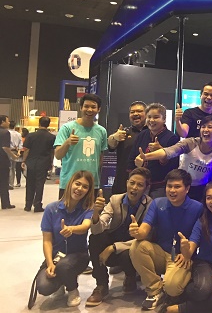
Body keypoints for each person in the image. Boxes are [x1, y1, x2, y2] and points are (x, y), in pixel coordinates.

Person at [129, 169, 203, 310]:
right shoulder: (158, 203)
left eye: (177, 186)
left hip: (182, 257)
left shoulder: (197, 208)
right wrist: (137, 232)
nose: (172, 190)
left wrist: (187, 252)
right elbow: (144, 229)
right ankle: (155, 290)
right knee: (137, 246)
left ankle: (172, 286)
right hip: (161, 252)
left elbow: (196, 237)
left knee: (172, 288)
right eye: (169, 186)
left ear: (187, 189)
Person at [164, 182, 212, 313]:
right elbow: (191, 249)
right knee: (202, 290)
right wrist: (185, 248)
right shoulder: (202, 222)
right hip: (205, 264)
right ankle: (183, 294)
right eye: (209, 198)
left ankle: (180, 308)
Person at [85, 167, 153, 306]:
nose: (134, 187)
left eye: (140, 185)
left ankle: (130, 277)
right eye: (132, 183)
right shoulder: (115, 200)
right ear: (127, 183)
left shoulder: (150, 205)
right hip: (116, 237)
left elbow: (147, 237)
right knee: (95, 239)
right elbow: (97, 229)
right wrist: (96, 213)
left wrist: (113, 247)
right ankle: (101, 285)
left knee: (132, 251)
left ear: (146, 188)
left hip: (133, 245)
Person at [36, 170, 95, 307]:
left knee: (64, 266)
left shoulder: (88, 209)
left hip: (78, 255)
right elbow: (47, 240)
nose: (80, 189)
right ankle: (61, 283)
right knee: (44, 287)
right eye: (77, 184)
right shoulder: (51, 209)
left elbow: (85, 226)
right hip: (57, 256)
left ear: (88, 191)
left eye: (85, 187)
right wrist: (50, 263)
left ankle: (72, 289)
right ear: (70, 184)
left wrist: (72, 229)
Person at [136, 115, 212, 201]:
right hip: (183, 185)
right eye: (203, 127)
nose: (205, 129)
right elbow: (170, 151)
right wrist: (146, 157)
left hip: (203, 188)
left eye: (210, 127)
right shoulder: (190, 143)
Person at [54, 94, 108, 198]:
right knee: (66, 209)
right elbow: (58, 155)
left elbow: (100, 158)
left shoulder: (102, 131)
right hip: (69, 183)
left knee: (90, 209)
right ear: (81, 108)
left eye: (93, 107)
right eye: (86, 106)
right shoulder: (67, 128)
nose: (89, 110)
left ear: (99, 109)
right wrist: (67, 142)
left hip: (92, 184)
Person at [129, 102, 179, 198]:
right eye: (149, 117)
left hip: (159, 185)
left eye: (156, 117)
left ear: (164, 119)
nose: (151, 120)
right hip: (140, 184)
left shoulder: (171, 138)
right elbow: (131, 158)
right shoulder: (142, 135)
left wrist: (161, 152)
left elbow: (173, 166)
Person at [107, 101, 147, 195]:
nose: (135, 114)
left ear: (146, 113)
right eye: (132, 112)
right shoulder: (123, 132)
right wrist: (114, 137)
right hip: (122, 182)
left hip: (146, 182)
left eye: (139, 111)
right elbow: (111, 145)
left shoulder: (152, 133)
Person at [21, 116, 56, 212]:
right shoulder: (52, 137)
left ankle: (28, 205)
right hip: (44, 163)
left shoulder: (30, 135)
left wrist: (24, 161)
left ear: (39, 123)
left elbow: (26, 150)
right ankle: (37, 205)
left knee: (30, 183)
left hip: (31, 162)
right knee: (40, 184)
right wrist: (51, 163)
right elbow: (52, 152)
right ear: (48, 124)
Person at [0, 115, 16, 209]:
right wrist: (13, 156)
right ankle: (5, 203)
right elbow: (5, 147)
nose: (9, 122)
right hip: (2, 160)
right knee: (4, 182)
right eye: (7, 121)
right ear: (2, 122)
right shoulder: (5, 132)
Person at [8, 120, 23, 188]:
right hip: (15, 151)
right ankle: (11, 184)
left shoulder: (7, 133)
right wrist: (19, 152)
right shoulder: (18, 134)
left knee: (8, 167)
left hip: (8, 151)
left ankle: (8, 183)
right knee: (13, 168)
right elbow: (20, 144)